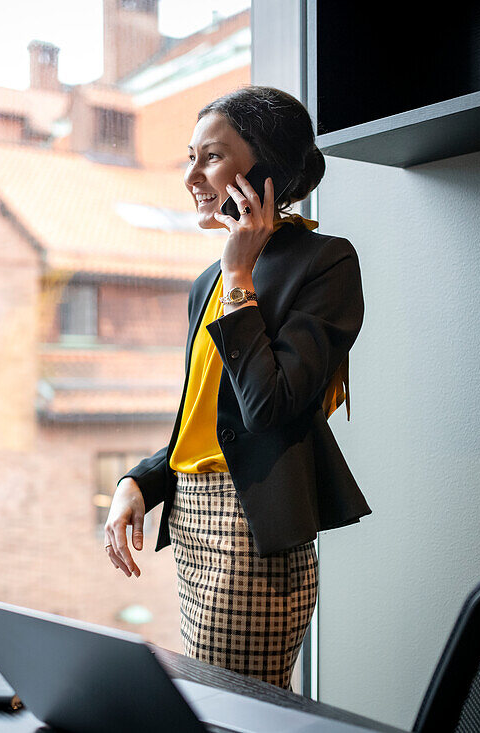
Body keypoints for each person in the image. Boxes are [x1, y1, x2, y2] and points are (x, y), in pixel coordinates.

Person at [102, 85, 370, 690]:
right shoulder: (208, 281)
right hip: (193, 519)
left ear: (265, 171)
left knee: (234, 710)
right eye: (189, 156)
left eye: (212, 157)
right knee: (216, 702)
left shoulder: (324, 263)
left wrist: (239, 277)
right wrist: (139, 482)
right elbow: (200, 420)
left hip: (250, 526)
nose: (192, 174)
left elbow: (267, 408)